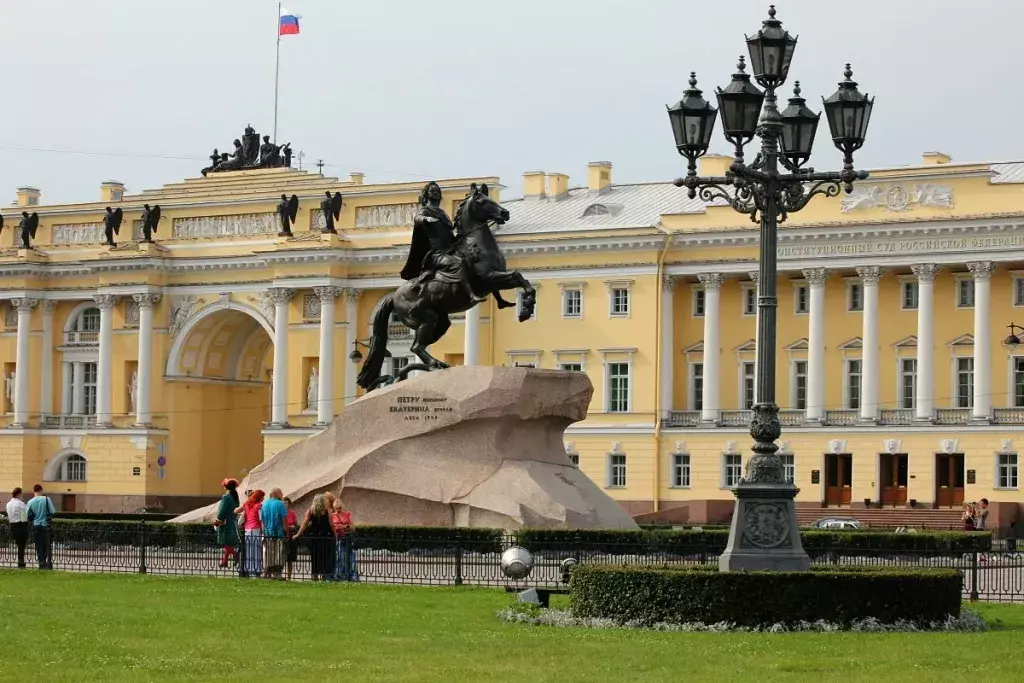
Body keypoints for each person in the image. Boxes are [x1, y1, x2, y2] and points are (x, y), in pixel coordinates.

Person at [400, 181, 485, 305]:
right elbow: (418, 218)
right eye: (432, 191)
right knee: (458, 263)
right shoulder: (426, 211)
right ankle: (471, 295)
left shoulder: (442, 213)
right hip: (437, 254)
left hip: (450, 249)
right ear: (427, 195)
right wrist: (426, 219)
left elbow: (449, 233)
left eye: (437, 191)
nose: (435, 193)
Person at [294, 494, 335, 581]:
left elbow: (304, 524)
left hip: (314, 536)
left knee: (315, 556)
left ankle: (314, 574)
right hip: (326, 536)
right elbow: (331, 524)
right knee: (325, 556)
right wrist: (336, 535)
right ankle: (324, 575)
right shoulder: (327, 511)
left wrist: (298, 534)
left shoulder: (311, 510)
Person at [327, 495, 357, 582]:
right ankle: (339, 576)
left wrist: (343, 526)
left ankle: (350, 576)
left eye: (339, 508)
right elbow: (331, 527)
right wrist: (337, 527)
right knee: (339, 558)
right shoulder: (332, 515)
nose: (338, 510)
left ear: (342, 507)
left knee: (349, 558)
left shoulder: (347, 514)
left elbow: (353, 527)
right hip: (338, 539)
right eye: (336, 508)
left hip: (347, 539)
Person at [236, 489, 265, 578]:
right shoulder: (259, 506)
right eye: (262, 497)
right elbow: (261, 520)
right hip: (256, 529)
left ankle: (247, 569)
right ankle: (256, 570)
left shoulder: (246, 504)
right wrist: (264, 532)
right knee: (256, 551)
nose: (263, 498)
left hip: (247, 530)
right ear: (259, 497)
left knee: (248, 551)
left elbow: (236, 511)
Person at [260, 488, 288, 580]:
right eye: (281, 493)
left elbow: (263, 522)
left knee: (269, 554)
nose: (282, 495)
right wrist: (287, 533)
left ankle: (269, 573)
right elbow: (284, 521)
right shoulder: (281, 504)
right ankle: (278, 574)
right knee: (279, 554)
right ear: (277, 494)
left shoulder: (264, 504)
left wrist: (264, 533)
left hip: (268, 533)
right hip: (279, 533)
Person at [25, 485, 55, 569]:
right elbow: (52, 511)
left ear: (33, 491)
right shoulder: (46, 499)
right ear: (41, 490)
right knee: (47, 544)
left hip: (36, 525)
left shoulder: (30, 501)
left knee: (38, 545)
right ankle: (47, 562)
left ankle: (41, 562)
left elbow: (26, 514)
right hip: (46, 525)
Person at [214, 478, 241, 568]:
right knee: (228, 543)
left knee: (225, 543)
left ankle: (236, 554)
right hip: (232, 522)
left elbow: (222, 511)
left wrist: (217, 520)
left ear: (226, 487)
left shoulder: (226, 497)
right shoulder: (235, 497)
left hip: (225, 523)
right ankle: (224, 561)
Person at [5, 487, 28, 568]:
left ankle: (20, 561)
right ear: (19, 494)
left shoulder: (8, 504)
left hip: (12, 525)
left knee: (19, 543)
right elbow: (26, 513)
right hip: (20, 525)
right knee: (22, 545)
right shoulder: (20, 503)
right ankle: (21, 561)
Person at [284, 497, 299, 581]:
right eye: (283, 503)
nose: (284, 504)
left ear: (289, 504)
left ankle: (289, 576)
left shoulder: (292, 513)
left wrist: (293, 526)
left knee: (290, 559)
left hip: (290, 536)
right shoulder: (280, 513)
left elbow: (296, 524)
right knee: (282, 557)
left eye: (286, 503)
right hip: (283, 536)